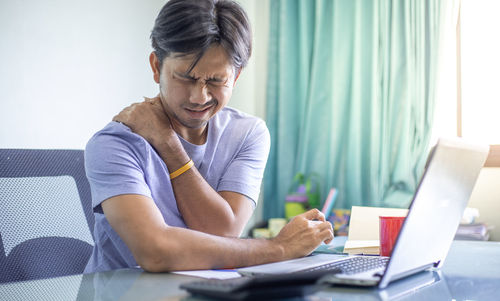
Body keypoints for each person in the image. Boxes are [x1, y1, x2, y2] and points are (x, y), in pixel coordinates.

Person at [84, 0, 333, 273]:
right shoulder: (114, 144)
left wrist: (169, 146)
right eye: (185, 78)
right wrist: (280, 248)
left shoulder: (247, 133)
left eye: (216, 81)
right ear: (156, 67)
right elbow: (155, 252)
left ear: (235, 77)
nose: (198, 97)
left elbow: (223, 232)